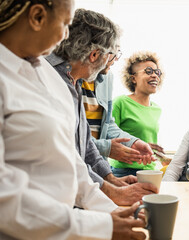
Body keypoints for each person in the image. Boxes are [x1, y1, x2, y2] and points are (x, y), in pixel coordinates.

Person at [0, 0, 145, 239]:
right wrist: (98, 226)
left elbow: (70, 160)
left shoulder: (45, 74)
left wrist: (112, 213)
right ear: (37, 17)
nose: (67, 36)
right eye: (66, 24)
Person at [46, 8, 157, 206]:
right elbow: (64, 157)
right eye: (111, 54)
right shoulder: (50, 78)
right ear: (95, 54)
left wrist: (111, 180)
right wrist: (112, 192)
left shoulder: (75, 81)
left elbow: (85, 144)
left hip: (76, 194)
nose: (111, 61)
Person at [111, 51, 165, 177]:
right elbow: (108, 138)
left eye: (157, 72)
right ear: (133, 78)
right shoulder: (120, 103)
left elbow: (148, 141)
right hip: (122, 172)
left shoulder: (157, 109)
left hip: (150, 171)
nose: (155, 76)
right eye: (148, 71)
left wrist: (159, 155)